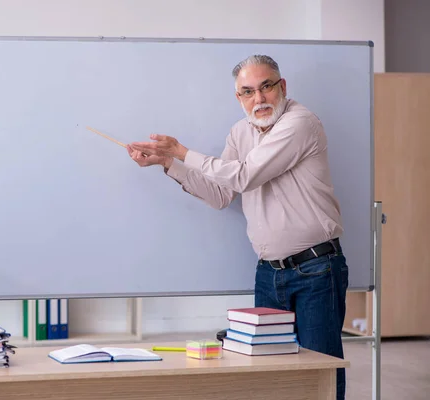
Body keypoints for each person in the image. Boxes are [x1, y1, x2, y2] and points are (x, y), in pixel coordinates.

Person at [127, 54, 349, 400]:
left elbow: (245, 176)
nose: (258, 99)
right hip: (269, 274)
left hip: (316, 270)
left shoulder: (300, 122)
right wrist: (169, 163)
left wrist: (183, 151)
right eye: (247, 92)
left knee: (319, 373)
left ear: (282, 87)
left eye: (266, 87)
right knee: (272, 377)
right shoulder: (239, 132)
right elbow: (220, 193)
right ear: (238, 97)